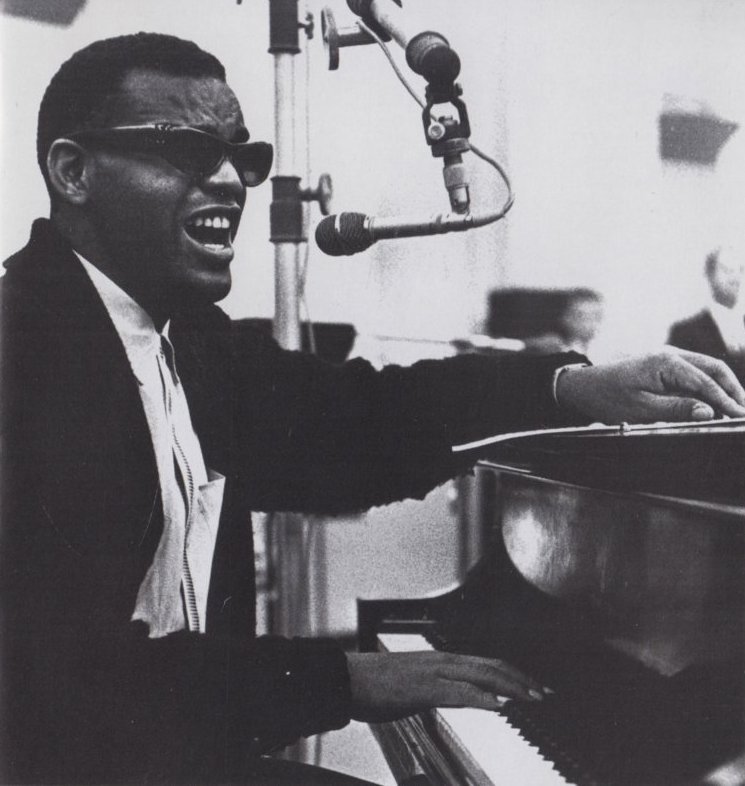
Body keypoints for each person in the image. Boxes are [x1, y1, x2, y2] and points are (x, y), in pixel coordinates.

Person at [1, 33, 744, 786]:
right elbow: (58, 685)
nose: (228, 181)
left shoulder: (186, 338)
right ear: (73, 171)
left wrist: (566, 386)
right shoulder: (21, 357)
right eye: (186, 150)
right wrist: (342, 680)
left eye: (241, 157)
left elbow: (356, 420)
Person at [667, 251, 745, 385]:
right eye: (727, 270)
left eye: (741, 270)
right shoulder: (684, 333)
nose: (735, 278)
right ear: (710, 275)